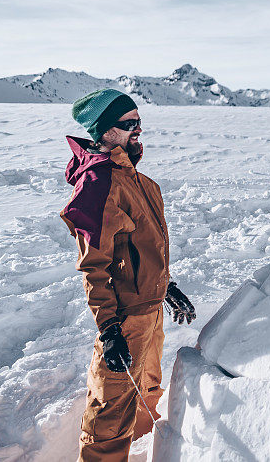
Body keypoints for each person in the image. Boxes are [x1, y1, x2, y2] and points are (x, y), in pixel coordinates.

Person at [60, 89, 196, 461]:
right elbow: (94, 265)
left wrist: (165, 286)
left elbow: (140, 249)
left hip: (149, 311)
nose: (138, 129)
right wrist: (109, 329)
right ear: (104, 131)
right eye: (127, 123)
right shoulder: (100, 184)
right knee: (110, 412)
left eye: (138, 120)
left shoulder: (138, 180)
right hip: (124, 319)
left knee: (147, 393)